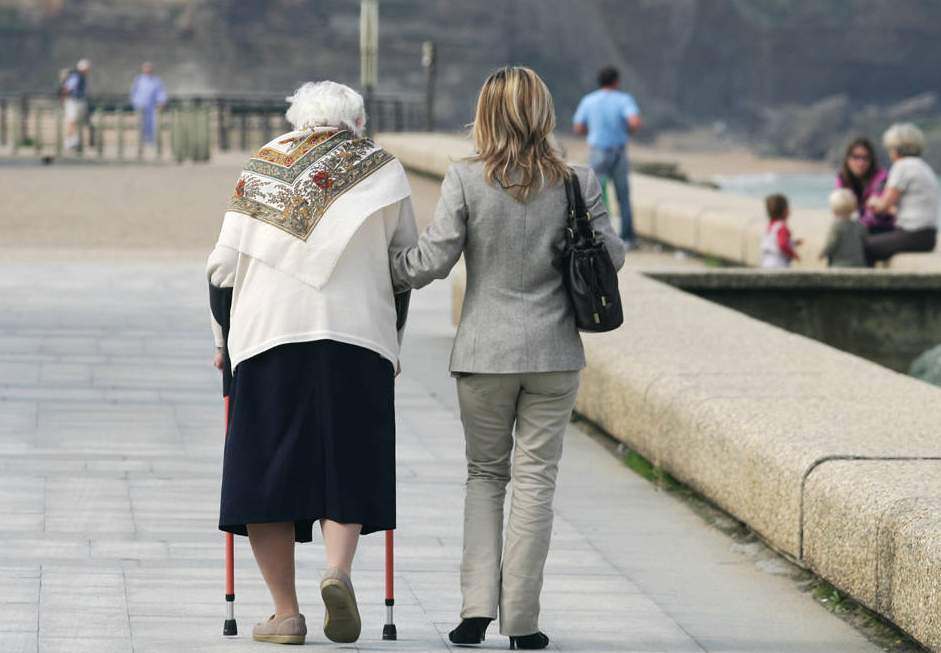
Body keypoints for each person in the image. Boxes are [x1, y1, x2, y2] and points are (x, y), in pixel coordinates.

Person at [390, 66, 626, 650]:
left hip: (484, 354)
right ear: (544, 113)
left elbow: (429, 263)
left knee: (485, 477)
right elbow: (612, 258)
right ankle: (522, 622)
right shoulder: (579, 180)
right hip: (553, 354)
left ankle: (474, 611)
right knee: (536, 482)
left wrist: (379, 269)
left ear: (487, 113)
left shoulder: (465, 179)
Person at [206, 80, 417, 645]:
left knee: (265, 471)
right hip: (359, 336)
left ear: (298, 122)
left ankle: (286, 614)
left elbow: (222, 269)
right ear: (357, 121)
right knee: (346, 460)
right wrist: (393, 340)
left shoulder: (262, 167)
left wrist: (223, 340)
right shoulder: (383, 168)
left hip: (269, 335)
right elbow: (401, 268)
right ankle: (337, 571)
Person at [572, 65, 642, 249]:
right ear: (616, 81)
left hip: (597, 152)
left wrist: (593, 130)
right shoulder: (624, 99)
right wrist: (627, 132)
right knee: (623, 197)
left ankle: (592, 235)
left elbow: (578, 127)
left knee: (592, 195)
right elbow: (635, 121)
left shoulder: (589, 100)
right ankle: (627, 238)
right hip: (618, 152)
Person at [864, 123, 940, 265]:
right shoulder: (923, 166)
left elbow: (884, 205)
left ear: (896, 149)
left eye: (890, 148)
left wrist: (872, 201)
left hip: (913, 235)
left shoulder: (902, 166)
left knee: (863, 246)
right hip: (929, 235)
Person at [836, 136, 893, 234]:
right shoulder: (842, 178)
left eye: (865, 158)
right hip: (857, 225)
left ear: (871, 161)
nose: (860, 162)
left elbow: (875, 207)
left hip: (881, 226)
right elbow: (840, 208)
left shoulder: (881, 176)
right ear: (848, 159)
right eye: (856, 157)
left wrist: (856, 225)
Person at [820, 189, 868, 267]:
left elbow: (831, 243)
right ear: (853, 209)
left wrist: (822, 254)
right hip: (859, 264)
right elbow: (866, 241)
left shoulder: (836, 226)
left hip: (839, 265)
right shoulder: (859, 225)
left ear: (833, 211)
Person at [130, 62, 168, 145]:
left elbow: (160, 92)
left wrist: (162, 101)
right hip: (140, 106)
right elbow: (134, 93)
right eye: (145, 69)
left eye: (149, 69)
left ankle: (151, 142)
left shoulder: (156, 80)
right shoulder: (138, 80)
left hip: (151, 107)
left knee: (151, 124)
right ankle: (140, 142)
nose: (147, 71)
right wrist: (136, 103)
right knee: (140, 125)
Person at [760, 193, 801, 269]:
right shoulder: (782, 227)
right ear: (785, 211)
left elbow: (774, 242)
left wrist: (794, 243)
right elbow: (782, 245)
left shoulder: (772, 225)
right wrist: (794, 255)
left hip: (766, 262)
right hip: (778, 264)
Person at [61, 59, 89, 152]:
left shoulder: (81, 77)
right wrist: (63, 99)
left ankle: (74, 142)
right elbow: (68, 88)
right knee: (71, 122)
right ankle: (68, 142)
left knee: (77, 122)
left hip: (78, 101)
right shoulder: (76, 77)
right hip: (73, 101)